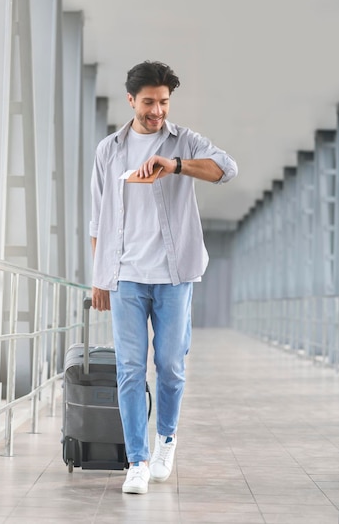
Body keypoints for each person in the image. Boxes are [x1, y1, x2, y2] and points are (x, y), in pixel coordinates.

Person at [90, 60, 238, 494]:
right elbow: (96, 220)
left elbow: (226, 169)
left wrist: (175, 166)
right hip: (127, 276)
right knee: (130, 369)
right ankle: (136, 459)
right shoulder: (109, 150)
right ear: (131, 100)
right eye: (150, 102)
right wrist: (101, 279)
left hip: (175, 276)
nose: (158, 111)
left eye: (165, 103)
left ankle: (166, 439)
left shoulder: (184, 141)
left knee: (170, 365)